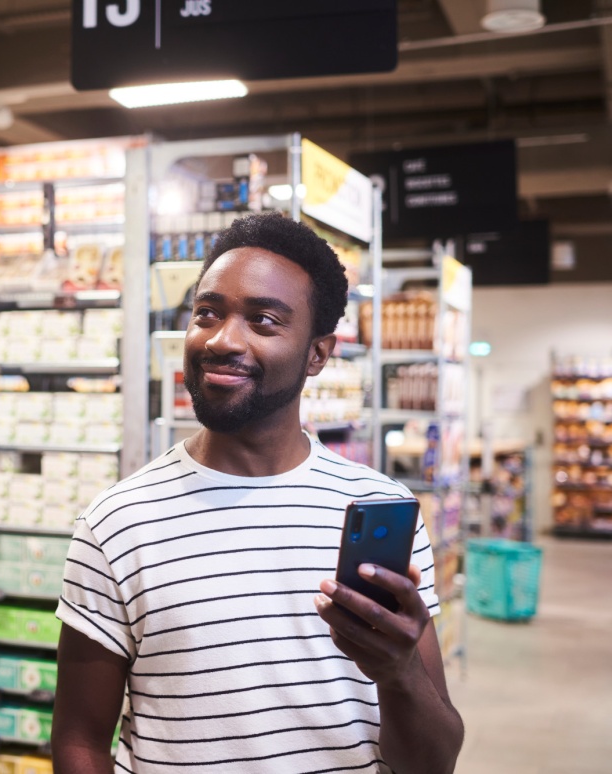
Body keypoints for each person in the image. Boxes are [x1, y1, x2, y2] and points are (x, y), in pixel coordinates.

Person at [51, 212, 463, 774]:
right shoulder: (117, 523)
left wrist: (399, 673)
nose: (222, 340)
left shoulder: (376, 509)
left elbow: (435, 762)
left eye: (264, 321)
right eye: (207, 313)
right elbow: (78, 741)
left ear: (318, 354)